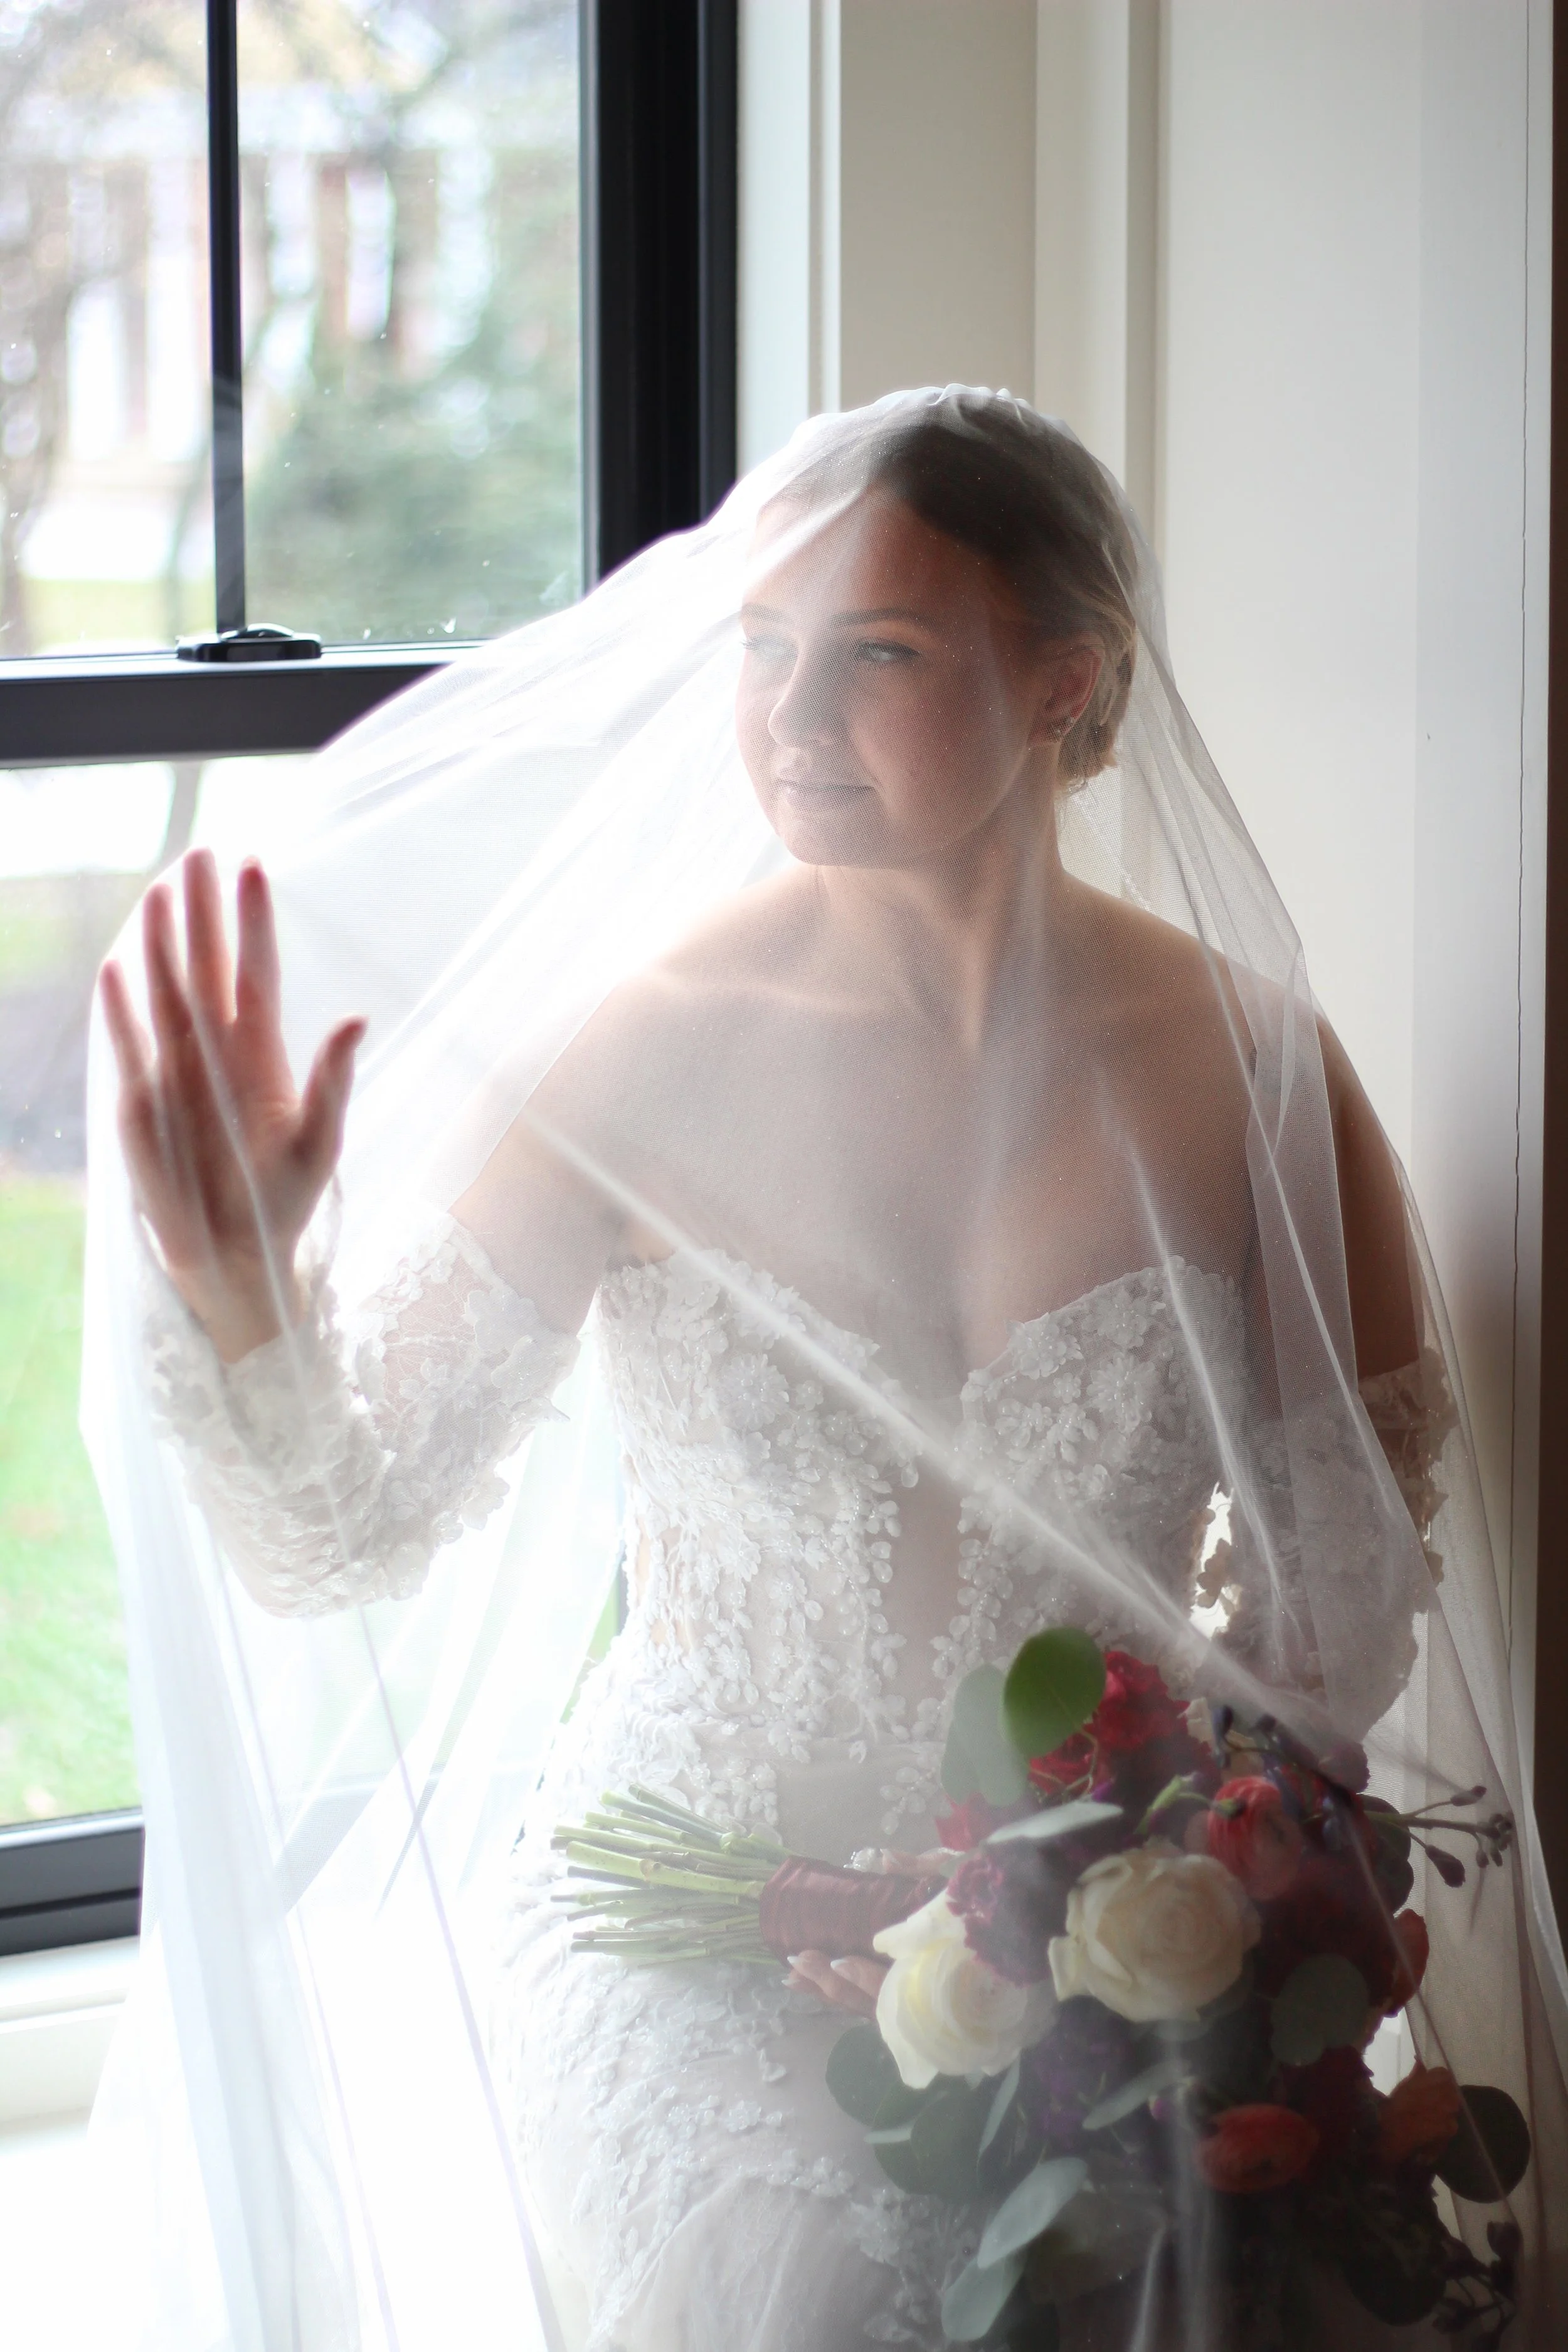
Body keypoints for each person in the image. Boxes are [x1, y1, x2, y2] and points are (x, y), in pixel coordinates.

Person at [89, 391, 1565, 2350]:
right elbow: (339, 1534)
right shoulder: (636, 1052)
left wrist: (1112, 1876)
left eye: (871, 653)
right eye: (761, 650)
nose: (787, 718)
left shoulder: (1247, 1070)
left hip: (1080, 1939)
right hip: (680, 1917)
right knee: (819, 2299)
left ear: (1068, 677)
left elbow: (1339, 1602)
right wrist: (245, 1306)